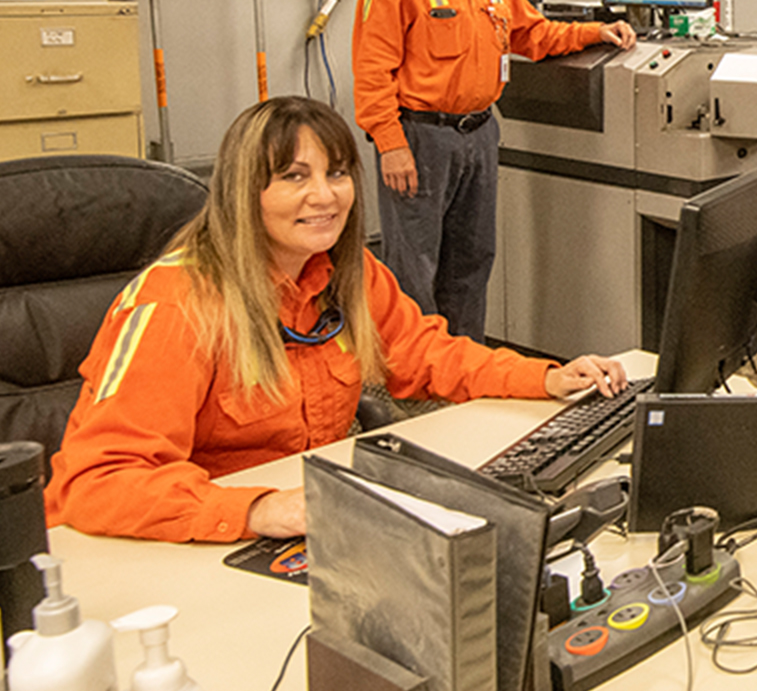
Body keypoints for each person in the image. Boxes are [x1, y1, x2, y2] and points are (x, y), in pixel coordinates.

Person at [45, 97, 629, 543]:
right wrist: (255, 508)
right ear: (244, 191)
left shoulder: (344, 273)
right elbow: (95, 482)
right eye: (295, 177)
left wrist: (547, 378)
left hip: (309, 522)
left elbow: (427, 352)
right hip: (194, 540)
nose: (325, 196)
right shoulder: (178, 304)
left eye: (338, 173)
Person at [352, 0, 636, 339]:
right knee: (414, 269)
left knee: (472, 262)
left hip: (480, 135)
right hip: (421, 139)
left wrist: (597, 32)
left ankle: (466, 371)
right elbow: (371, 65)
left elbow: (535, 35)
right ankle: (415, 384)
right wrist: (390, 142)